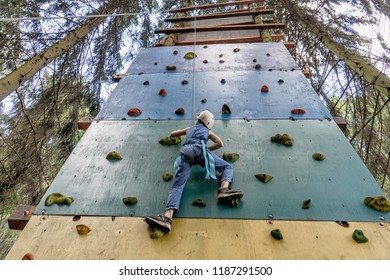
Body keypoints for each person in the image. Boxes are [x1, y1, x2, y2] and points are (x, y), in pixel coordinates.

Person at [145, 110, 243, 233]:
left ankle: (167, 218)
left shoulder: (189, 129)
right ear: (209, 123)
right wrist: (207, 150)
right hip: (200, 151)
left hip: (186, 152)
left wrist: (186, 132)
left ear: (198, 120)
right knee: (227, 167)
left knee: (178, 185)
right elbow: (220, 144)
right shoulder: (208, 131)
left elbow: (172, 134)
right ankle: (224, 190)